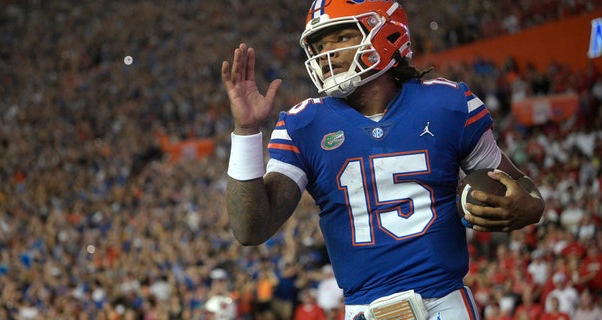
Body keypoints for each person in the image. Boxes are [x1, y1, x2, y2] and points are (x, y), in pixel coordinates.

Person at [221, 1, 545, 319]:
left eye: (340, 37)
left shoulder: (447, 103)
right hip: (361, 310)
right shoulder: (303, 124)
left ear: (386, 35)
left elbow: (518, 184)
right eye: (320, 43)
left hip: (445, 303)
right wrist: (247, 131)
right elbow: (251, 229)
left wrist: (529, 207)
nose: (327, 51)